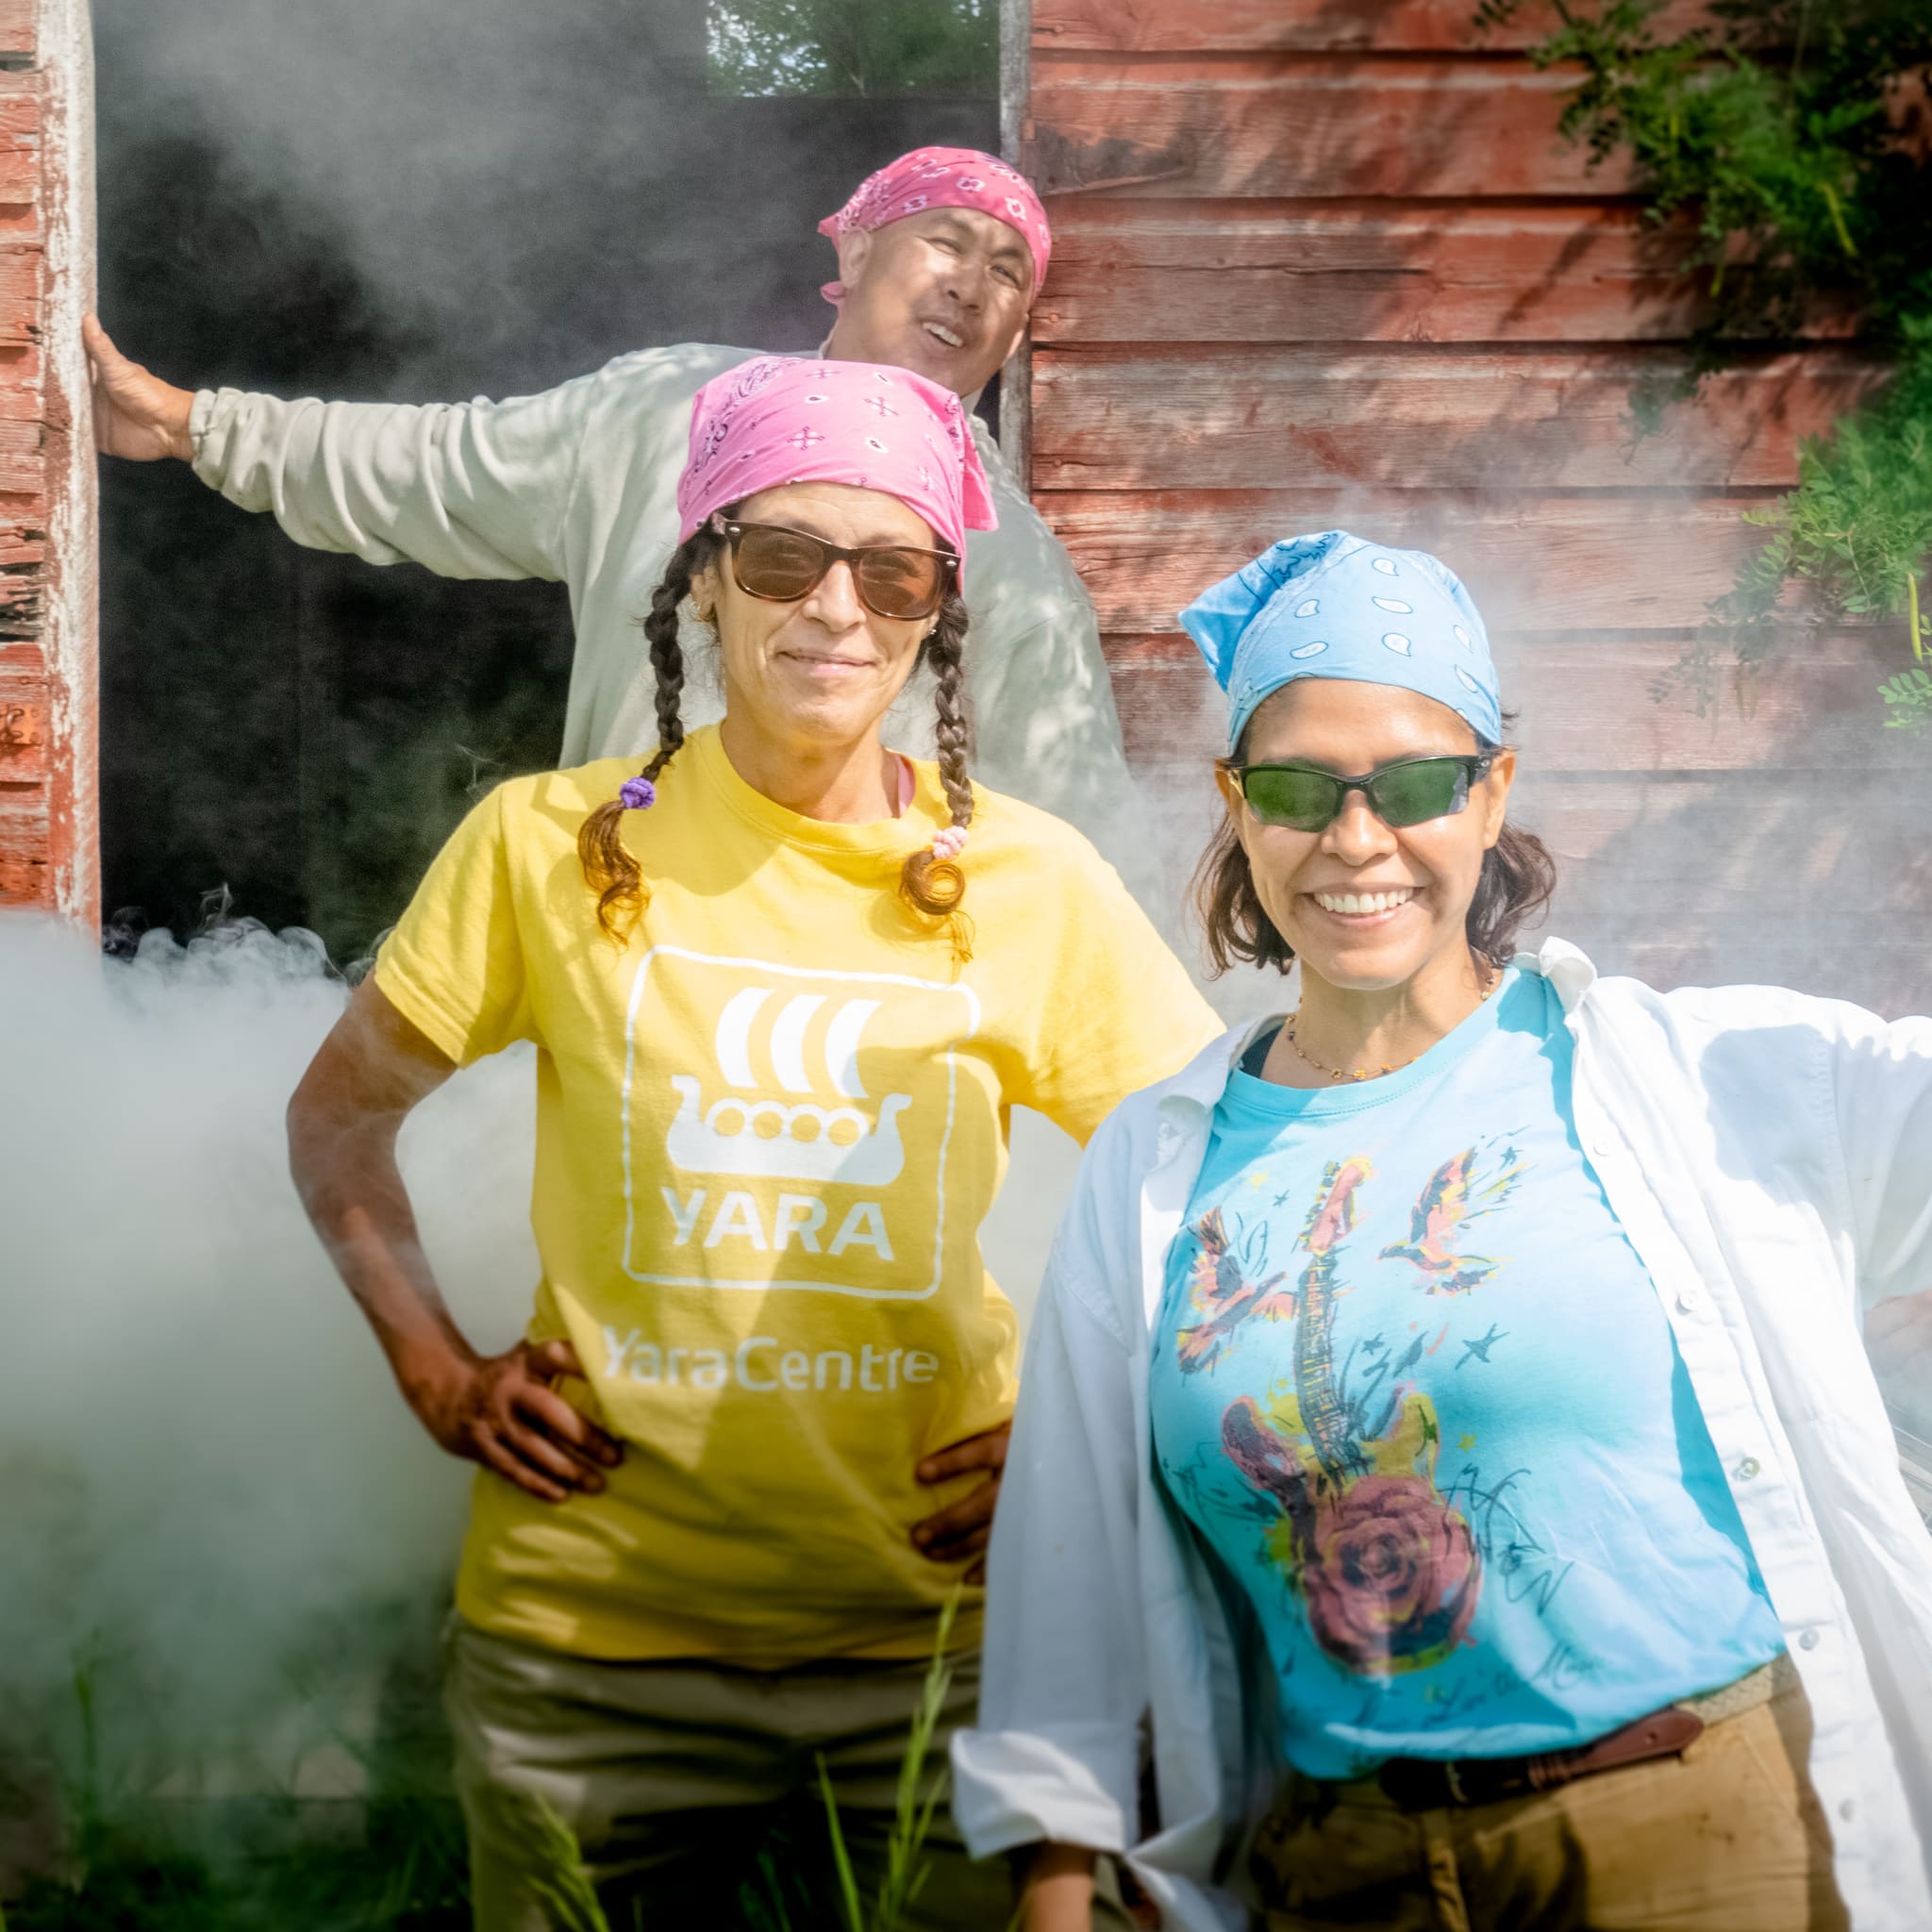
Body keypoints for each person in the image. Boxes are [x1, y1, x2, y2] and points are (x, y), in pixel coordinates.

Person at [286, 354, 1222, 1931]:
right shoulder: (545, 844)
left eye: (891, 568)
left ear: (938, 604)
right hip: (585, 1654)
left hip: (952, 1643)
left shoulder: (1033, 881)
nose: (834, 608)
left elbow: (1231, 1190)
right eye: (781, 556)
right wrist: (438, 1370)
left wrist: (1102, 1436)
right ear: (705, 581)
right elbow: (336, 1119)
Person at [952, 531, 1932, 1931]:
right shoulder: (1154, 1167)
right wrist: (1054, 1888)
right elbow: (1070, 1573)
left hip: (1699, 1843)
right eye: (1298, 787)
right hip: (1338, 1872)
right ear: (1237, 804)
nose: (1358, 839)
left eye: (1415, 783)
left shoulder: (1694, 1078)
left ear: (1491, 794)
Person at [83, 146, 1150, 886]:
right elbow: (441, 464)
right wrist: (192, 425)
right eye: (947, 243)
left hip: (872, 999)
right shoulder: (665, 413)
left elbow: (1074, 822)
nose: (972, 285)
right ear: (854, 254)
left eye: (1008, 271)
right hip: (623, 916)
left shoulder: (1014, 558)